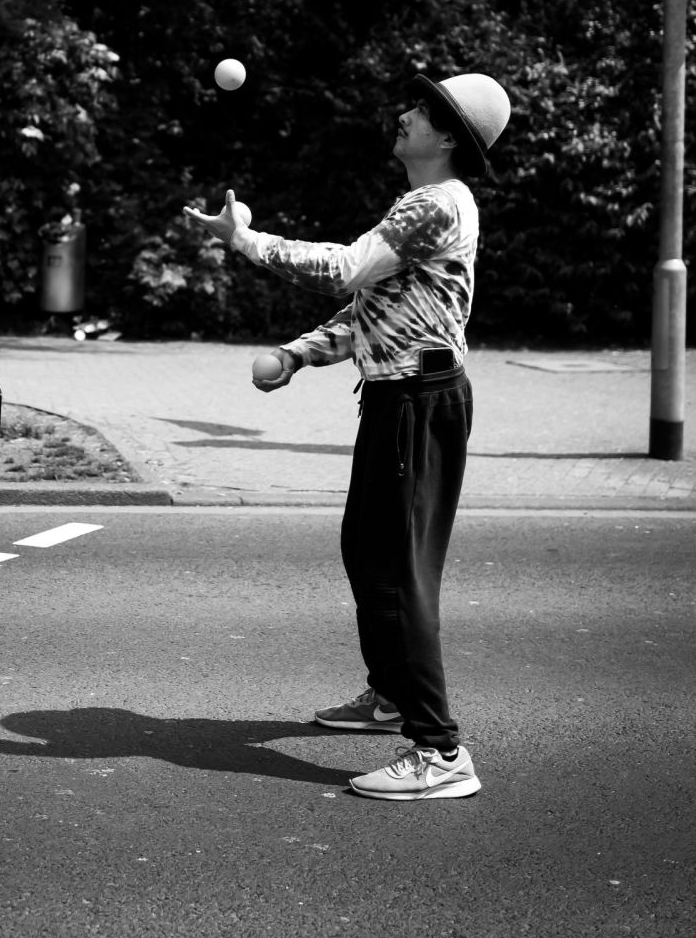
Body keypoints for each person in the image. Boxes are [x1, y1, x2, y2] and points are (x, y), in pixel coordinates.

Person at [184, 71, 510, 802]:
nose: (403, 114)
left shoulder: (439, 204)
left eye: (420, 110)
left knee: (398, 574)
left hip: (420, 406)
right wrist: (299, 355)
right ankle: (390, 696)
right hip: (397, 401)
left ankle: (439, 750)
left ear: (449, 135)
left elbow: (343, 271)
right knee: (365, 553)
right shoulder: (420, 204)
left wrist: (244, 239)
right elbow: (377, 310)